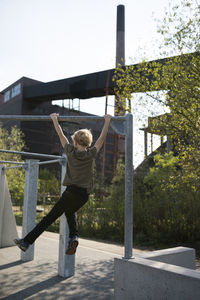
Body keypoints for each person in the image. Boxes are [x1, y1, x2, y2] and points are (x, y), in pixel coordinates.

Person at [14, 113, 112, 255]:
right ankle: (74, 237)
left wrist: (55, 120)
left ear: (76, 143)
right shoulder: (91, 154)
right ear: (88, 143)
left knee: (49, 219)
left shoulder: (70, 152)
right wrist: (107, 121)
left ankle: (26, 242)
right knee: (70, 212)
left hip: (71, 192)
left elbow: (61, 135)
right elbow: (101, 139)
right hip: (84, 195)